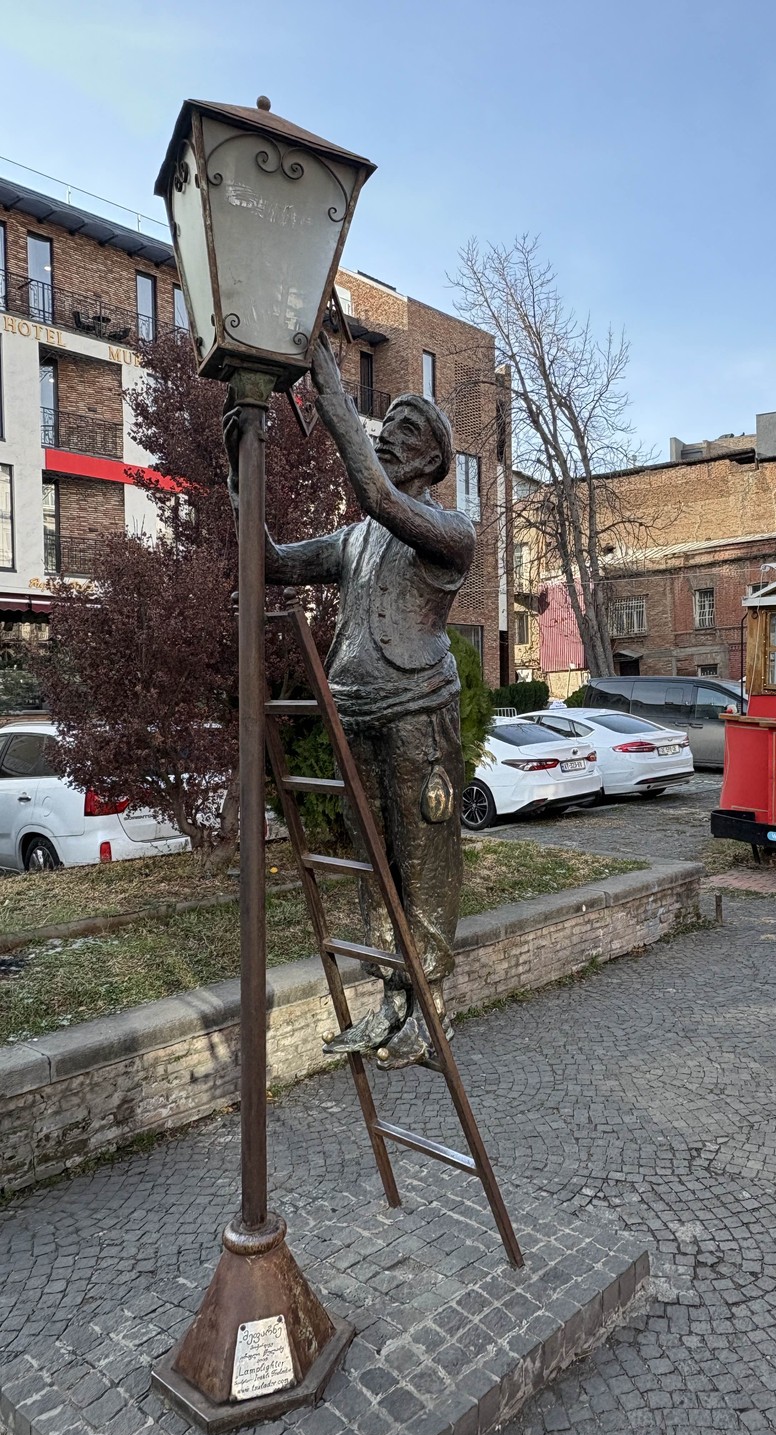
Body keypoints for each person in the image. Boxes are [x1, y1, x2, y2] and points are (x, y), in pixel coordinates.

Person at [226, 335, 475, 1070]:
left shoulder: (449, 534)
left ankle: (430, 1011)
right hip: (355, 713)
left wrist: (327, 381)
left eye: (407, 428)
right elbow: (269, 564)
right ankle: (392, 1004)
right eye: (386, 423)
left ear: (433, 461)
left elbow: (371, 488)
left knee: (423, 861)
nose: (390, 436)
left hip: (416, 714)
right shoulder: (357, 540)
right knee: (374, 868)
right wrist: (242, 462)